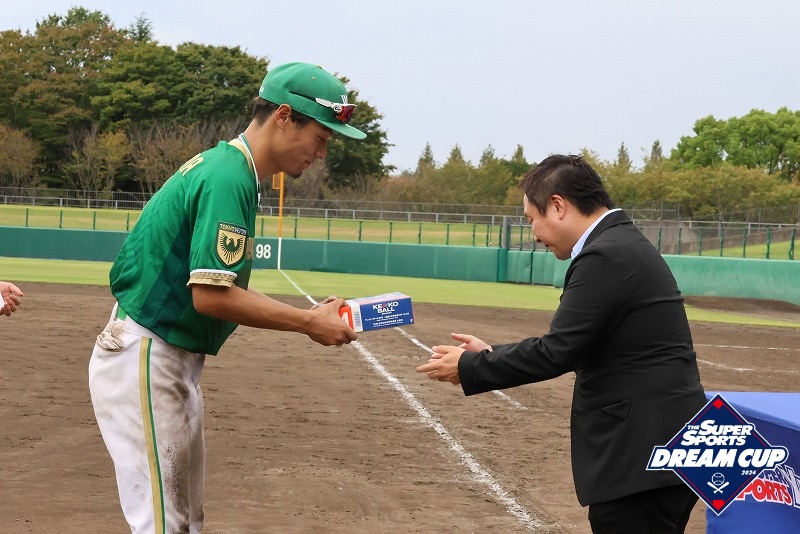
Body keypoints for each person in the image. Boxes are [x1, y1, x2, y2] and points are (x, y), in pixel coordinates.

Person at [89, 62, 366, 533]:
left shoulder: (234, 171)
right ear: (284, 116)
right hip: (147, 353)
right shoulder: (228, 177)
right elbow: (211, 298)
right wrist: (307, 322)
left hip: (165, 357)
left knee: (182, 523)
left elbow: (216, 286)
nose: (321, 152)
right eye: (321, 137)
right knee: (164, 525)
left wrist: (308, 316)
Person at [417, 154, 706, 533]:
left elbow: (558, 351)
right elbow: (576, 344)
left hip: (641, 456)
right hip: (659, 452)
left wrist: (470, 366)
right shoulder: (620, 243)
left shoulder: (605, 254)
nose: (534, 234)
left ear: (557, 206)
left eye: (530, 219)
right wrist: (490, 354)